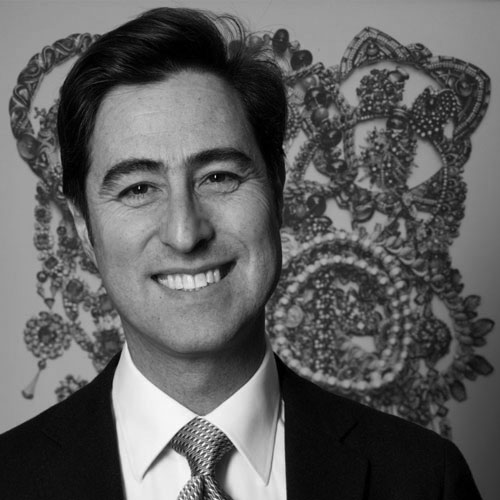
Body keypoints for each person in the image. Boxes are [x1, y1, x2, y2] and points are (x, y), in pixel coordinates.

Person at [0, 7, 482, 500]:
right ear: (84, 226)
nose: (185, 233)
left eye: (218, 177)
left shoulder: (426, 479)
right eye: (139, 188)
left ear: (276, 189)